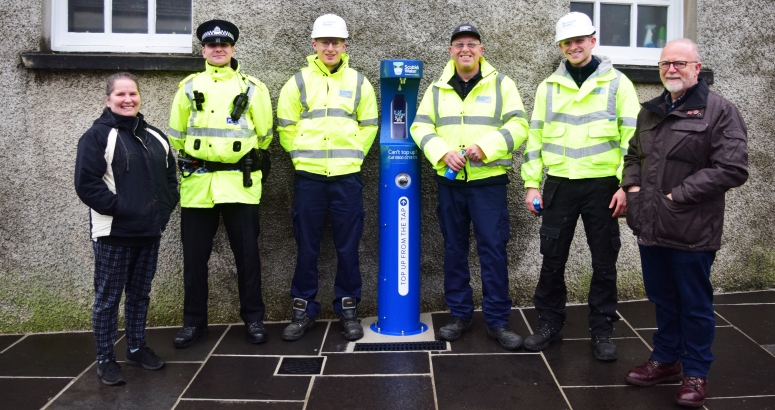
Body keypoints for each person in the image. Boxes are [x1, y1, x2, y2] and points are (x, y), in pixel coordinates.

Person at [622, 38, 748, 408]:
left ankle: (696, 371)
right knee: (662, 298)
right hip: (650, 225)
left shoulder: (719, 111)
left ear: (697, 67)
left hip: (691, 228)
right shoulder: (651, 111)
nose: (671, 70)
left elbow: (732, 168)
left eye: (679, 63)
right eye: (665, 64)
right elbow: (634, 154)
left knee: (693, 302)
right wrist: (632, 187)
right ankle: (665, 360)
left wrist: (678, 195)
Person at [520, 12, 640, 361]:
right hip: (558, 185)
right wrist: (531, 184)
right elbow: (535, 137)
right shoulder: (548, 87)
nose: (574, 47)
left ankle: (602, 329)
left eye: (580, 40)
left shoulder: (618, 84)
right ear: (561, 46)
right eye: (567, 42)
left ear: (593, 40)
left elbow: (632, 139)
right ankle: (549, 323)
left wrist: (625, 184)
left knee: (605, 261)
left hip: (603, 186)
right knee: (552, 259)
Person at [410, 23, 529, 351]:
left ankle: (497, 321)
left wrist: (487, 146)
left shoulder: (502, 84)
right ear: (451, 50)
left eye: (472, 44)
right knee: (454, 249)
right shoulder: (437, 88)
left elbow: (520, 125)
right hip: (450, 184)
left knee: (493, 250)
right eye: (459, 44)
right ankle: (459, 316)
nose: (465, 49)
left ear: (481, 50)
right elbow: (419, 126)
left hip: (488, 183)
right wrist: (442, 152)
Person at [168, 20, 273, 347]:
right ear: (203, 50)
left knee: (248, 258)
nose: (218, 49)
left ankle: (254, 319)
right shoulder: (188, 87)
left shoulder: (252, 88)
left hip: (239, 184)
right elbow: (177, 136)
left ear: (233, 49)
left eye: (224, 45)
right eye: (212, 45)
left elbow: (265, 137)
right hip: (198, 186)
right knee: (194, 260)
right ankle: (193, 323)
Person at [276, 14, 378, 342]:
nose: (330, 47)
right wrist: (301, 158)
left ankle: (348, 309)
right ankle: (303, 309)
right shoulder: (298, 82)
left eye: (336, 42)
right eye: (324, 42)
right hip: (309, 179)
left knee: (348, 247)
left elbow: (370, 125)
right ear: (314, 45)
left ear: (345, 45)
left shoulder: (359, 82)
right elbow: (286, 127)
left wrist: (354, 156)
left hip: (347, 179)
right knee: (307, 247)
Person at [74, 72, 179, 385]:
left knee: (140, 295)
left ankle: (135, 347)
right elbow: (87, 185)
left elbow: (170, 180)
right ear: (108, 100)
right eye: (120, 94)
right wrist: (124, 210)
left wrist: (160, 213)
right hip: (114, 235)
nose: (127, 99)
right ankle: (105, 358)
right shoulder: (96, 136)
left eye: (132, 93)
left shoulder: (155, 136)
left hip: (149, 233)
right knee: (108, 299)